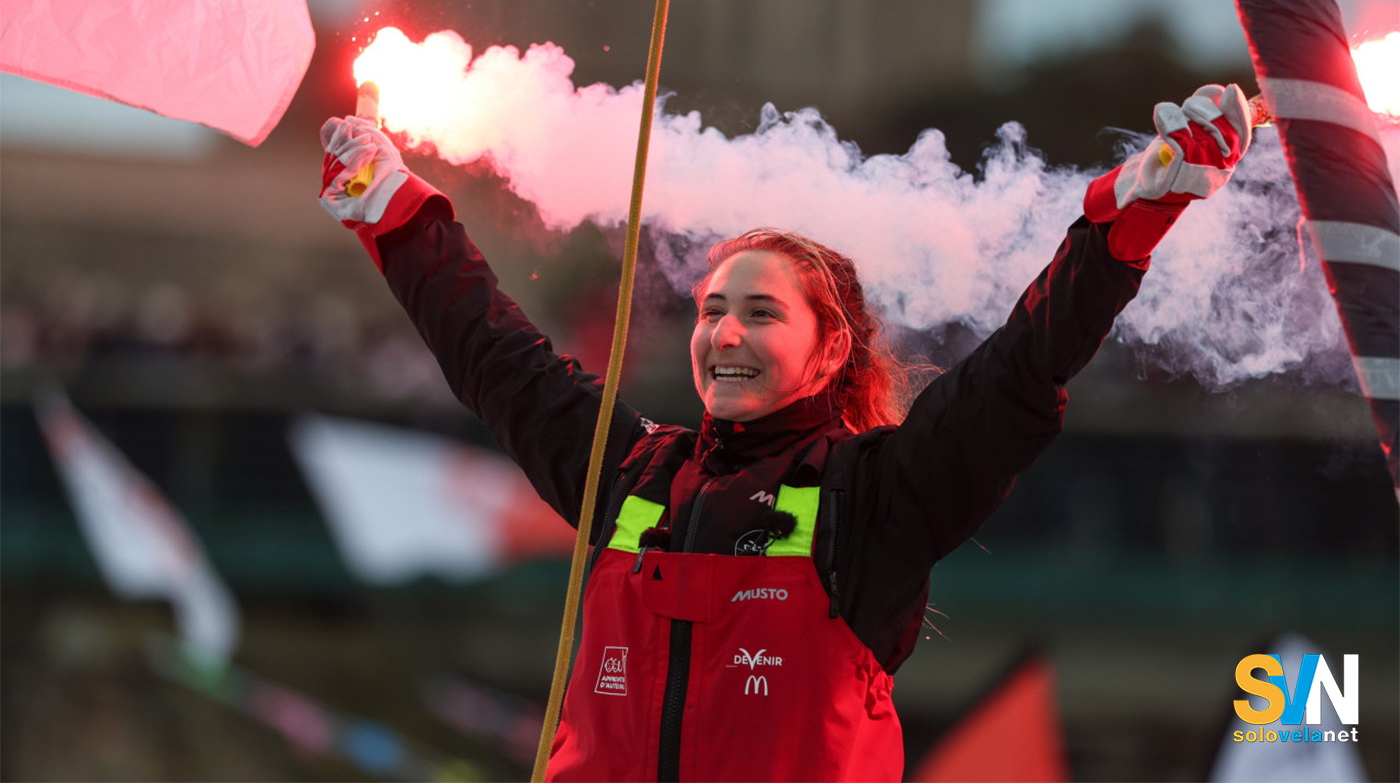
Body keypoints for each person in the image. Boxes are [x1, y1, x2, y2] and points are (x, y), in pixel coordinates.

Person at [318, 84, 1251, 782]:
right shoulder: (632, 474)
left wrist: (1131, 214)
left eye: (760, 313)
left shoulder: (876, 494)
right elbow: (493, 354)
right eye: (711, 308)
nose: (724, 333)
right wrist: (395, 215)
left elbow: (1020, 369)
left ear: (830, 344)